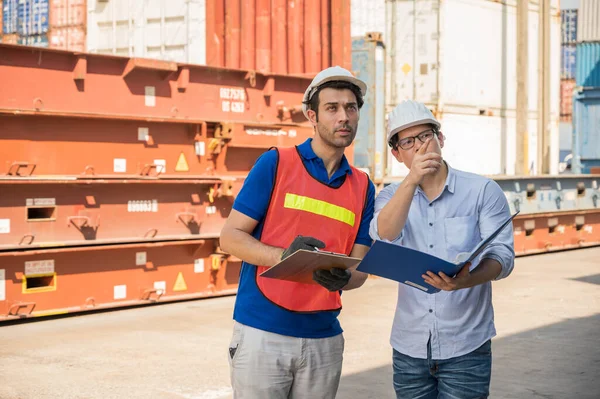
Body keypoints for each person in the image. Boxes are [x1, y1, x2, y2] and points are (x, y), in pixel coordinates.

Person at [220, 66, 376, 399]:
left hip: (325, 337)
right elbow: (230, 237)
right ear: (312, 115)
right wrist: (283, 257)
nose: (344, 117)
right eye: (332, 108)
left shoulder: (362, 186)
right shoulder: (276, 163)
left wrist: (345, 279)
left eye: (351, 108)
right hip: (263, 331)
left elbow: (360, 268)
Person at [369, 100, 515, 399]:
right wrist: (412, 180)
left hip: (466, 346)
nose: (420, 147)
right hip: (409, 347)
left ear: (441, 139)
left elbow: (502, 255)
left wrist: (466, 280)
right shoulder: (390, 197)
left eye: (425, 136)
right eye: (408, 142)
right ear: (397, 154)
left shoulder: (482, 191)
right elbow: (385, 235)